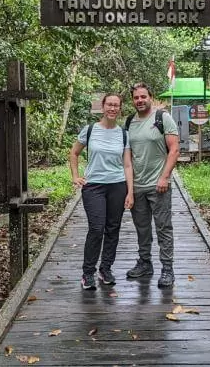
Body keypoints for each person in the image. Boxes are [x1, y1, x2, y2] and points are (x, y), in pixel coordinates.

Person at [69, 93, 134, 290]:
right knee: (97, 228)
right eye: (109, 105)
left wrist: (130, 192)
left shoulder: (124, 134)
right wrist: (75, 176)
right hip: (94, 186)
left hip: (117, 185)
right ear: (103, 107)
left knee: (112, 228)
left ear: (120, 109)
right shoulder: (89, 130)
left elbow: (127, 164)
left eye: (116, 106)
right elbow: (74, 152)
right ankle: (87, 273)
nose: (112, 109)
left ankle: (105, 269)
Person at [125, 82, 180, 288]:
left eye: (143, 97)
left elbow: (174, 150)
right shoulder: (129, 121)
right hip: (137, 185)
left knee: (163, 227)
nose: (140, 100)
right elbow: (128, 156)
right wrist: (129, 188)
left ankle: (167, 268)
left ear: (151, 97)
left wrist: (164, 177)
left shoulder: (162, 118)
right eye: (136, 98)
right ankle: (145, 263)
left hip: (159, 185)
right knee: (142, 228)